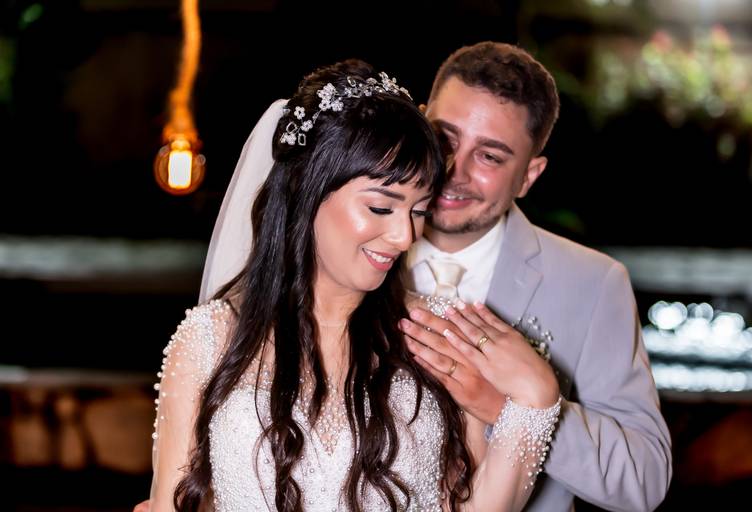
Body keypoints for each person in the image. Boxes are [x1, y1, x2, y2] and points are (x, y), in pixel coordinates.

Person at [200, 43, 673, 511]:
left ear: (529, 175)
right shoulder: (346, 250)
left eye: (490, 157)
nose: (453, 170)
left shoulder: (592, 283)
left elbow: (644, 479)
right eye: (445, 139)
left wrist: (507, 407)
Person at [149, 59, 562, 511]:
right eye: (381, 208)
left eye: (419, 211)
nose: (405, 236)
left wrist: (537, 399)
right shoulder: (208, 340)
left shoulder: (438, 334)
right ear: (307, 191)